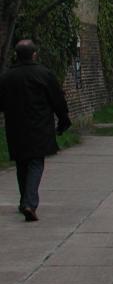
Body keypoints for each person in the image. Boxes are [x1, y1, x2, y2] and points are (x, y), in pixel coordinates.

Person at [0, 39, 71, 222]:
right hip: (39, 126)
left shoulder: (7, 77)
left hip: (15, 127)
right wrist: (63, 120)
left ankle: (24, 200)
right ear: (34, 54)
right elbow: (57, 100)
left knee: (21, 163)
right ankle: (29, 203)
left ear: (16, 55)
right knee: (35, 163)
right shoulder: (44, 74)